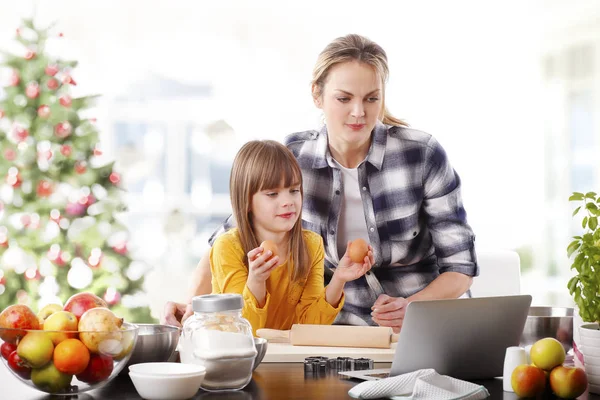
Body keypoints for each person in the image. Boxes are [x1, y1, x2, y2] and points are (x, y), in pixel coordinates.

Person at [163, 34, 478, 333]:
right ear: (317, 94)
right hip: (335, 332)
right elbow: (233, 233)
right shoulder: (294, 157)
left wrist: (412, 306)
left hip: (420, 326)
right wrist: (193, 304)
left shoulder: (420, 155)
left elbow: (460, 267)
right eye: (344, 98)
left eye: (372, 99)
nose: (359, 112)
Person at [201, 140, 373, 334]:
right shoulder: (228, 246)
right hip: (238, 356)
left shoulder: (311, 244)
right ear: (246, 200)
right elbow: (244, 330)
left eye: (294, 191)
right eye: (273, 194)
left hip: (284, 355)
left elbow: (309, 325)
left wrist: (339, 278)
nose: (288, 202)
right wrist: (256, 281)